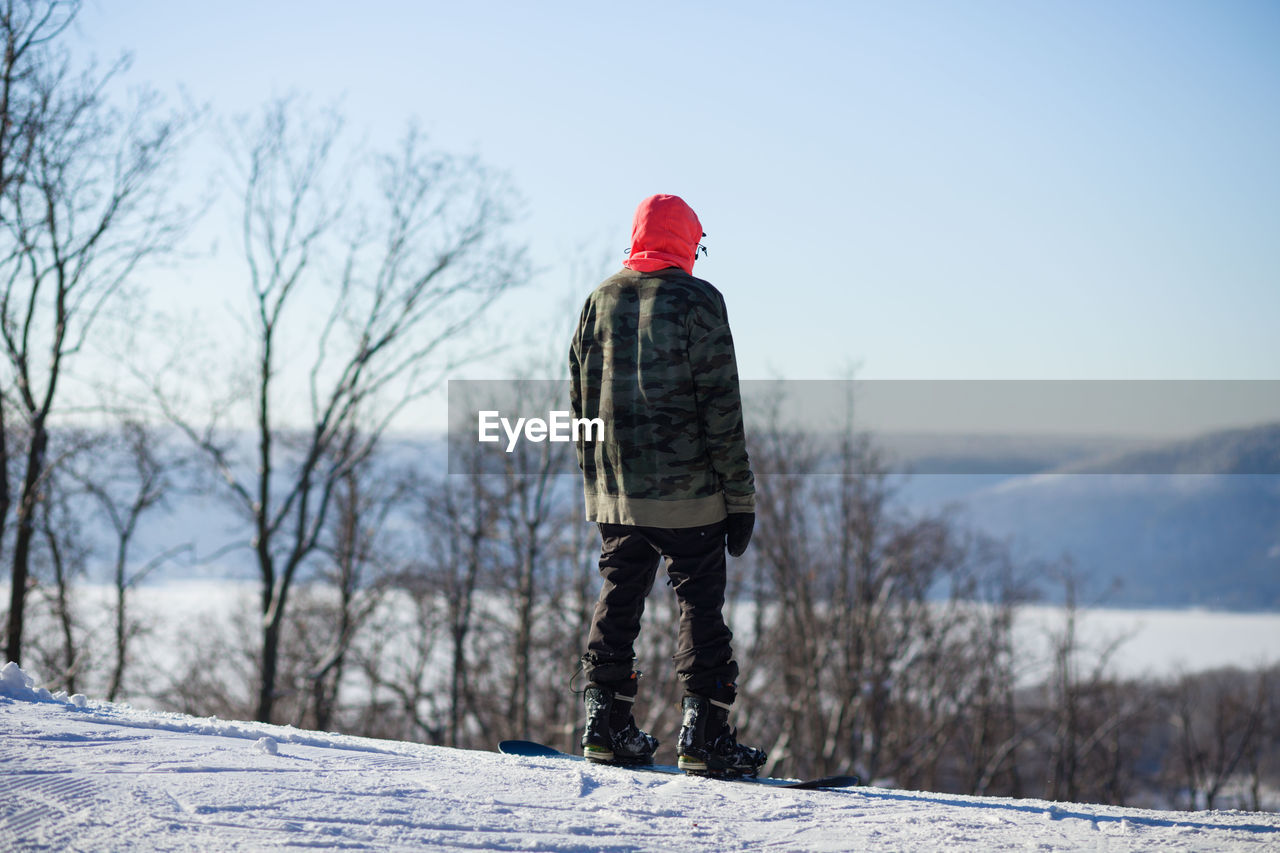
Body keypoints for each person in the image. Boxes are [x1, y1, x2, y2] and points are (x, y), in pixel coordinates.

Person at [568, 193, 766, 777]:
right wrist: (740, 497)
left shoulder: (598, 300)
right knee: (700, 605)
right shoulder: (699, 301)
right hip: (691, 495)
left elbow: (579, 398)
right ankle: (704, 737)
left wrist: (597, 482)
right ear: (687, 241)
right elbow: (720, 406)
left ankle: (604, 726)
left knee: (619, 595)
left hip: (620, 492)